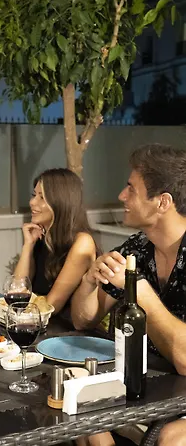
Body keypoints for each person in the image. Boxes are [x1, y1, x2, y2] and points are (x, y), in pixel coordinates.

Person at [71, 144, 186, 446]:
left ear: (162, 202)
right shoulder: (137, 248)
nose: (122, 196)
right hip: (147, 386)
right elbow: (83, 320)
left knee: (172, 439)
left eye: (131, 189)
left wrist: (139, 290)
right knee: (76, 398)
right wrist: (89, 281)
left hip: (177, 395)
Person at [13, 168, 97, 316]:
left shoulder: (82, 242)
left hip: (65, 327)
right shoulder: (43, 236)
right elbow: (17, 291)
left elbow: (51, 305)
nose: (32, 202)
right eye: (34, 195)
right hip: (37, 320)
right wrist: (28, 245)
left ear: (61, 202)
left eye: (42, 197)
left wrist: (16, 316)